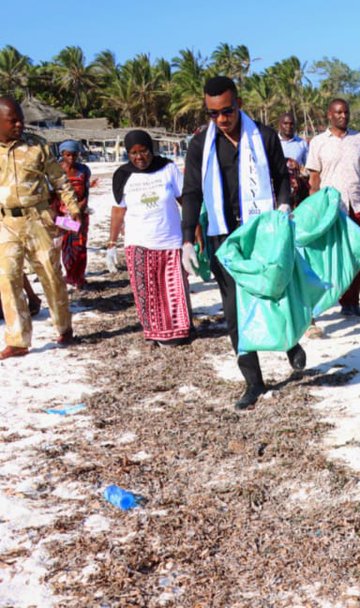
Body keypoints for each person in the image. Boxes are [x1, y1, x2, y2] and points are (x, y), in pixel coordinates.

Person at [180, 76, 303, 409]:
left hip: (262, 231)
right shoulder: (200, 145)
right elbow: (191, 191)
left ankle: (289, 342)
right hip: (223, 236)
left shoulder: (263, 137)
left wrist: (282, 205)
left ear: (239, 104)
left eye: (228, 110)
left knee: (274, 292)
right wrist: (186, 238)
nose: (222, 119)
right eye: (214, 113)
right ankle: (253, 381)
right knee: (234, 309)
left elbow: (281, 178)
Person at [0, 96, 79, 359]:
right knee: (8, 279)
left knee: (51, 275)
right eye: (13, 121)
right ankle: (18, 340)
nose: (20, 124)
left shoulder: (37, 146)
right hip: (6, 223)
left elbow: (59, 180)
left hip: (39, 220)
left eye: (21, 119)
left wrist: (73, 208)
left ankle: (64, 327)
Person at [108, 130, 192, 346]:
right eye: (133, 153)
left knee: (173, 290)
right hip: (139, 242)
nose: (139, 157)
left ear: (151, 149)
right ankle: (154, 332)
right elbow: (118, 211)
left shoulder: (168, 168)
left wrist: (193, 232)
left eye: (143, 151)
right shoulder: (122, 175)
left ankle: (178, 332)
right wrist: (111, 242)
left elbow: (185, 200)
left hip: (171, 240)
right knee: (147, 292)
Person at [306, 98, 360, 316]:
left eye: (346, 112)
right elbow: (314, 177)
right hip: (332, 209)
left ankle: (353, 302)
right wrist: (315, 207)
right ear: (329, 115)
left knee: (358, 256)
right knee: (334, 257)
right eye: (338, 112)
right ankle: (337, 300)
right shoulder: (318, 142)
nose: (343, 116)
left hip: (359, 205)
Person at [57, 140, 92, 290]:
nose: (71, 158)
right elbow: (53, 195)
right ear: (62, 154)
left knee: (80, 244)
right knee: (67, 245)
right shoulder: (56, 171)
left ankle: (79, 276)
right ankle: (70, 275)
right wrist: (63, 213)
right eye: (68, 155)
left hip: (81, 214)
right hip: (62, 215)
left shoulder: (83, 170)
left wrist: (79, 209)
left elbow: (86, 192)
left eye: (74, 154)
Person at [278, 112, 310, 203]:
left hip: (297, 190)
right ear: (280, 125)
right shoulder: (274, 142)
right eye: (285, 123)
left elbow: (308, 167)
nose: (289, 126)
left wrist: (299, 168)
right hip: (279, 188)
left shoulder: (302, 143)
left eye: (291, 124)